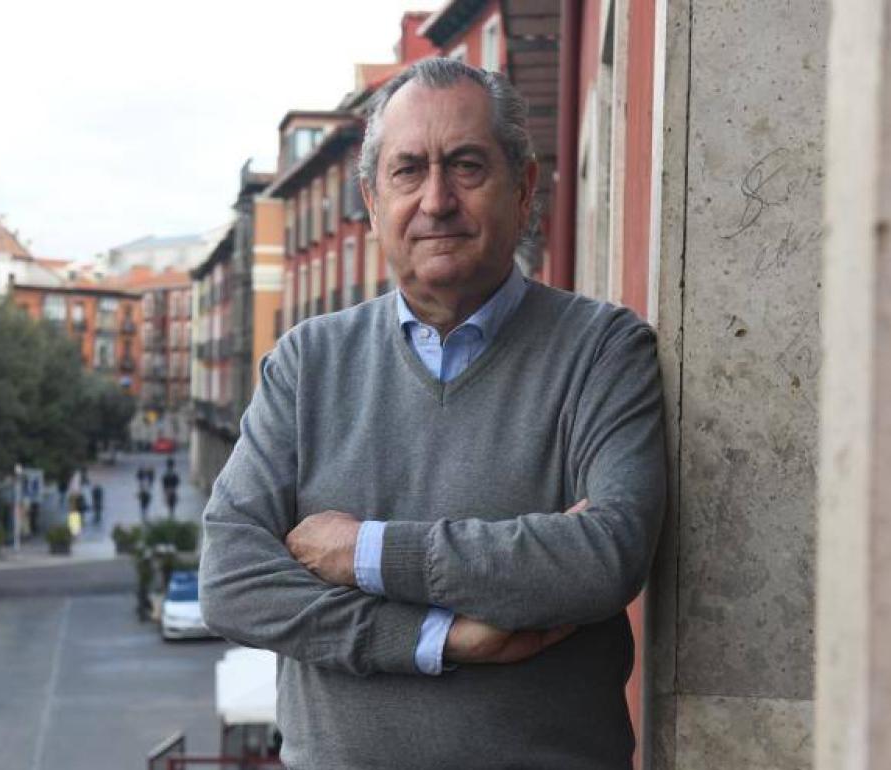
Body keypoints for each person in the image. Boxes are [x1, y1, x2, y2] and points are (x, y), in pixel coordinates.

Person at [199, 58, 666, 770]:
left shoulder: (603, 350)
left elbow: (605, 557)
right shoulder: (306, 362)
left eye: (467, 167)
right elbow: (231, 580)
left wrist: (364, 552)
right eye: (408, 170)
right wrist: (437, 639)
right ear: (371, 197)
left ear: (525, 186)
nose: (437, 200)